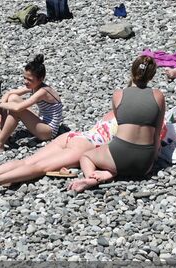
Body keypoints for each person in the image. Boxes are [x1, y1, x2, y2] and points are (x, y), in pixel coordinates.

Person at [69, 56, 166, 192]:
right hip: (145, 165)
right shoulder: (159, 96)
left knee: (86, 156)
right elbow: (157, 134)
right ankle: (111, 173)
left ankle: (92, 178)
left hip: (119, 155)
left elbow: (119, 121)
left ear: (132, 72)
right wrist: (154, 155)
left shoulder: (118, 95)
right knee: (124, 160)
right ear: (151, 76)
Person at [0, 111, 117, 197]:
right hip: (86, 145)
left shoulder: (113, 112)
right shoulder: (132, 122)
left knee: (27, 161)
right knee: (40, 167)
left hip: (74, 136)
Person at [0, 54, 65, 155]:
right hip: (41, 121)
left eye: (29, 80)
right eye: (24, 78)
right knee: (13, 97)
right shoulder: (34, 85)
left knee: (16, 110)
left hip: (48, 131)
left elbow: (18, 108)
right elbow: (9, 93)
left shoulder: (43, 91)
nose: (26, 82)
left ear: (41, 79)